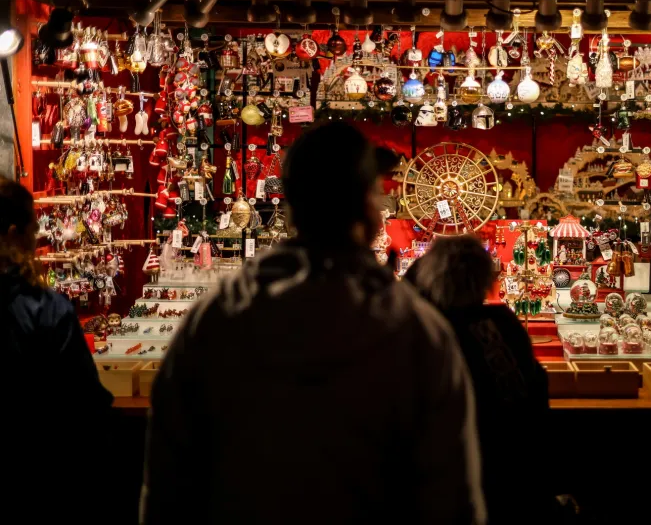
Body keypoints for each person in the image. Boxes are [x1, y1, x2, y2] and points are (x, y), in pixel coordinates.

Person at [141, 123, 486, 525]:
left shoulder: (214, 320)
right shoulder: (417, 333)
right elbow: (451, 501)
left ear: (290, 204)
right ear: (369, 211)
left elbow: (167, 491)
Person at [407, 235, 557, 523]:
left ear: (433, 279)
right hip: (518, 478)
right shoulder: (505, 324)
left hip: (456, 480)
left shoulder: (433, 331)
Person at [0, 177, 114, 520]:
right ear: (14, 234)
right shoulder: (48, 311)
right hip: (44, 481)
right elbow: (89, 405)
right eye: (33, 231)